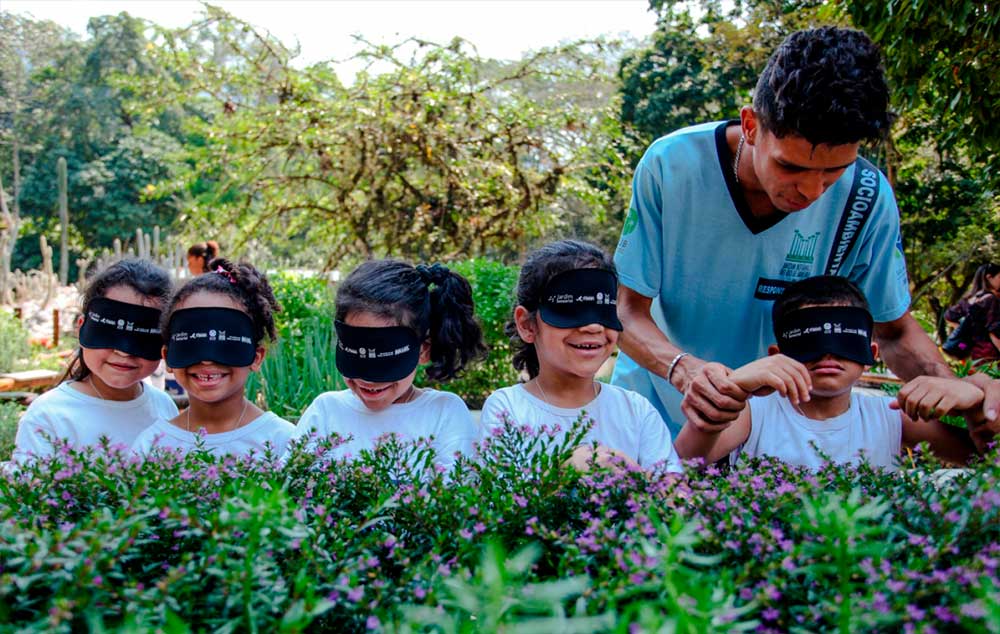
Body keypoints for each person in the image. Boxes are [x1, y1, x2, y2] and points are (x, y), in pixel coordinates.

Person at [611, 26, 1000, 435]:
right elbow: (625, 309)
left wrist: (964, 396)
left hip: (781, 437)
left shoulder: (866, 196)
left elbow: (894, 330)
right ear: (751, 126)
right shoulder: (671, 166)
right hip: (655, 418)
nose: (812, 192)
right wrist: (682, 369)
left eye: (834, 171)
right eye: (791, 167)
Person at [674, 276, 985, 470]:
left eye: (844, 338)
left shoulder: (891, 416)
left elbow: (985, 460)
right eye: (809, 338)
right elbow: (682, 462)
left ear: (870, 354)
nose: (827, 353)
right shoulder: (754, 414)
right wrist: (733, 390)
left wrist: (975, 400)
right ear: (776, 356)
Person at [480, 240, 682, 472]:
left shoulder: (637, 411)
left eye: (603, 308)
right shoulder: (507, 409)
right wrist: (565, 473)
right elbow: (502, 503)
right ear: (527, 325)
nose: (593, 326)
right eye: (571, 309)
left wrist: (630, 474)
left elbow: (672, 497)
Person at [288, 260, 486, 470]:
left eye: (385, 362)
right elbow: (286, 487)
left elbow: (460, 494)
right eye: (356, 356)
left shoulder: (444, 413)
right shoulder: (325, 412)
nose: (368, 379)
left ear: (423, 350)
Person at [12, 259, 177, 462]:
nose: (124, 352)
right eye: (110, 331)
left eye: (143, 336)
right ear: (81, 327)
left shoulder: (164, 406)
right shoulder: (48, 415)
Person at [132, 259, 294, 457]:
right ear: (167, 356)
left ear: (256, 357)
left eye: (226, 339)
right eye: (191, 339)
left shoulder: (284, 442)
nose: (207, 360)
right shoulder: (150, 446)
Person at [943, 263, 1000, 362]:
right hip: (987, 352)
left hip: (969, 350)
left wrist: (966, 331)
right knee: (989, 376)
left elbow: (948, 316)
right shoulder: (990, 299)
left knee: (973, 376)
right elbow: (993, 331)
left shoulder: (969, 298)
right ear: (989, 277)